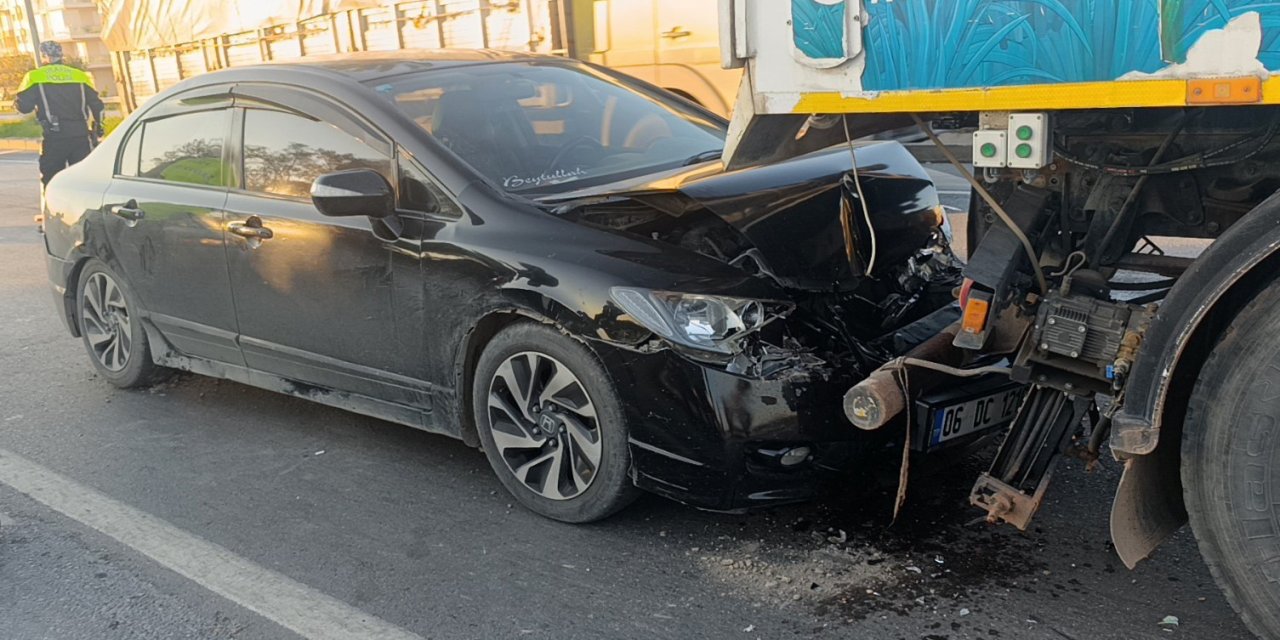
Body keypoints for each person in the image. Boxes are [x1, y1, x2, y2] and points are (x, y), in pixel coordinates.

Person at [14, 41, 104, 185]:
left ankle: (55, 207)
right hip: (80, 136)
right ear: (61, 54)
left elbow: (23, 107)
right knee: (83, 180)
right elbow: (97, 106)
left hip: (55, 137)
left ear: (43, 55)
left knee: (53, 180)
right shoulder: (79, 75)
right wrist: (99, 127)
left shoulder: (34, 76)